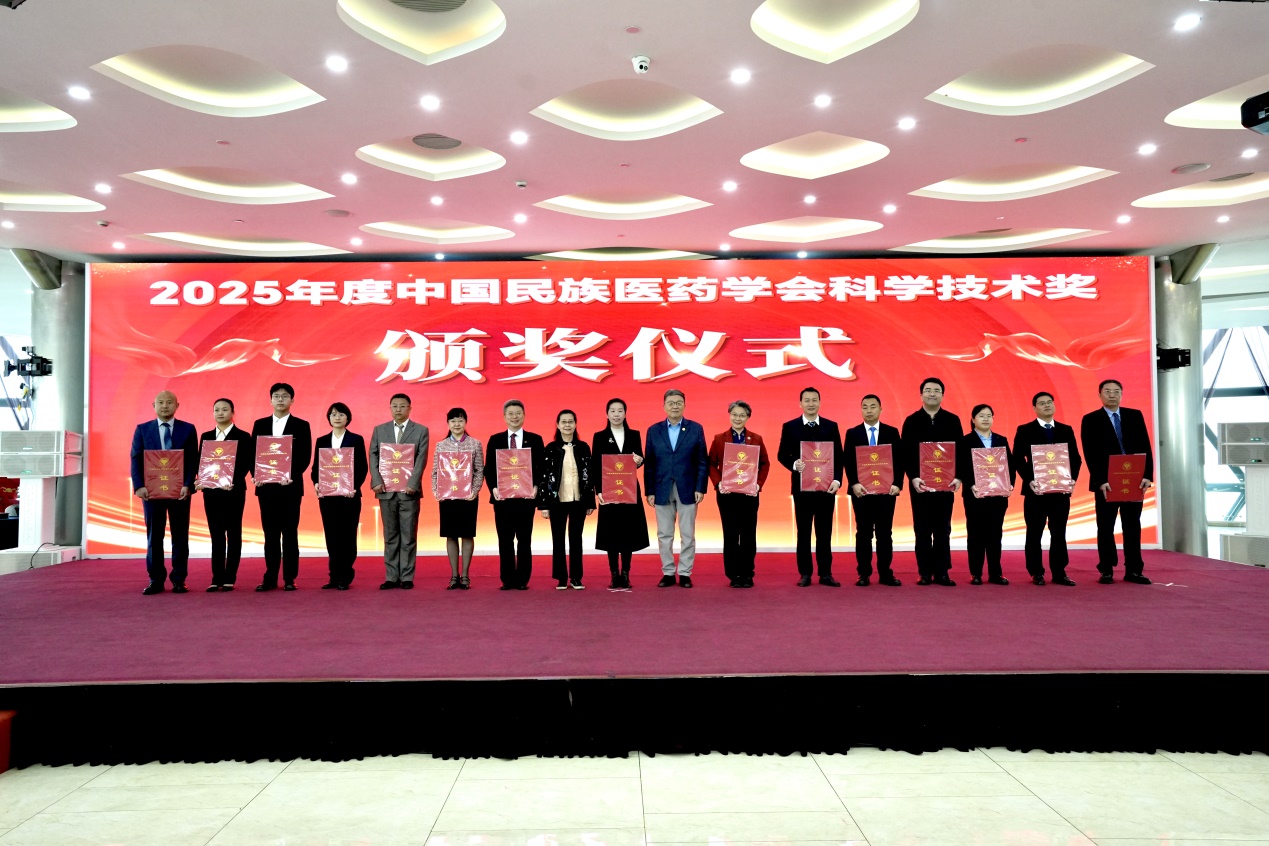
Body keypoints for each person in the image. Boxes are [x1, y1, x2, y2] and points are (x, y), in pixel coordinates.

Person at [1080, 379, 1155, 584]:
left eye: (1116, 391)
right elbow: (1090, 452)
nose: (1112, 395)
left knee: (1133, 526)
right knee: (1105, 527)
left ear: (1121, 394)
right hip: (1107, 483)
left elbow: (1145, 446)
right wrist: (1100, 480)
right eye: (1107, 391)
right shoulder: (1090, 419)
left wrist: (1147, 475)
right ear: (1100, 395)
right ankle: (1106, 569)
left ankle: (1134, 570)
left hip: (1134, 480)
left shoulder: (1134, 415)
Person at [129, 390, 198, 595]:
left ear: (177, 405)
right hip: (151, 492)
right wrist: (139, 486)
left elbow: (192, 459)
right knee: (154, 537)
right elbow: (135, 458)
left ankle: (179, 580)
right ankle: (156, 580)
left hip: (180, 492)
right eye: (161, 402)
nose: (165, 406)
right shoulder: (143, 429)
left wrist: (188, 484)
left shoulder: (188, 429)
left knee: (180, 536)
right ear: (154, 405)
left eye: (169, 402)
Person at [777, 387, 845, 587]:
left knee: (824, 533)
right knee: (804, 533)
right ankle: (805, 573)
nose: (811, 404)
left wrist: (837, 480)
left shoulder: (831, 426)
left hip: (826, 488)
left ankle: (826, 574)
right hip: (802, 489)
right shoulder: (790, 427)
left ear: (820, 403)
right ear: (800, 404)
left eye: (814, 400)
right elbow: (782, 454)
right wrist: (794, 464)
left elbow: (839, 456)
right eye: (807, 400)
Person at [1013, 391, 1082, 586]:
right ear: (1034, 408)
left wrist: (1071, 480)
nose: (1047, 405)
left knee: (1059, 532)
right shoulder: (1025, 430)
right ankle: (1036, 572)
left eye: (1049, 402)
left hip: (1060, 491)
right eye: (1042, 403)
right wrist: (1029, 480)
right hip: (1036, 491)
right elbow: (1017, 458)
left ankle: (1059, 572)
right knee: (1034, 532)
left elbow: (1075, 458)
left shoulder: (1066, 430)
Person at [249, 382, 312, 592]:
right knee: (270, 534)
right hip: (266, 487)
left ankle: (290, 578)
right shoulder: (260, 424)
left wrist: (290, 475)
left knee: (290, 533)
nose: (280, 399)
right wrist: (256, 476)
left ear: (292, 400)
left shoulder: (302, 425)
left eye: (285, 396)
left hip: (290, 487)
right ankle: (270, 577)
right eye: (276, 396)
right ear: (271, 400)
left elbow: (305, 456)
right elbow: (253, 454)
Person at [643, 389, 710, 588]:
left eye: (679, 402)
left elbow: (702, 461)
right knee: (664, 534)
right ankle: (668, 572)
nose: (675, 406)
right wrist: (649, 491)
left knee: (687, 534)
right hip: (661, 487)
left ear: (684, 405)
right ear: (664, 406)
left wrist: (700, 488)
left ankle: (685, 573)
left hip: (688, 488)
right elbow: (650, 463)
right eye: (671, 403)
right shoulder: (654, 430)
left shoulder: (695, 428)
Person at [901, 377, 963, 586]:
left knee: (943, 529)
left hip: (946, 484)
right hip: (920, 484)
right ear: (921, 395)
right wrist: (913, 477)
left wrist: (958, 476)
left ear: (942, 395)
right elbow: (905, 452)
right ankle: (925, 572)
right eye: (928, 390)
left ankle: (943, 572)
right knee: (922, 529)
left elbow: (960, 451)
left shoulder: (952, 420)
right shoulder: (911, 421)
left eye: (936, 390)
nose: (932, 393)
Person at [369, 393, 430, 590]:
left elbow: (421, 458)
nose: (398, 409)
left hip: (408, 491)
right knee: (390, 536)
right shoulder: (380, 430)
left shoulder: (420, 430)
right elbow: (373, 455)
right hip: (386, 490)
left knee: (408, 536)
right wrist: (376, 481)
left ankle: (407, 576)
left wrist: (413, 483)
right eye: (394, 406)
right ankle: (391, 576)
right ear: (390, 408)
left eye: (402, 406)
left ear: (409, 408)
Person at [707, 400, 770, 588]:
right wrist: (718, 483)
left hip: (749, 494)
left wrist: (758, 484)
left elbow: (765, 464)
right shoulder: (719, 438)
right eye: (734, 414)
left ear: (748, 417)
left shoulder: (756, 438)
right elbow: (711, 463)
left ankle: (747, 574)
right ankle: (734, 574)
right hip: (727, 495)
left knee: (748, 535)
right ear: (729, 415)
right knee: (731, 535)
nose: (738, 418)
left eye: (742, 415)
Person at [843, 394, 904, 587]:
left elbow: (899, 459)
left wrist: (897, 483)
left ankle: (886, 574)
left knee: (885, 533)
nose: (869, 410)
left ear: (880, 409)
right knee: (863, 533)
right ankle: (863, 574)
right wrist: (854, 483)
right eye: (865, 407)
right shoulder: (852, 433)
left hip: (887, 492)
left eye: (873, 406)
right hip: (861, 492)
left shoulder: (891, 432)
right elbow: (848, 461)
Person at [484, 399, 546, 589]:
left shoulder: (535, 439)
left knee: (524, 540)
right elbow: (489, 468)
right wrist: (494, 488)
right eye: (510, 414)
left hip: (526, 498)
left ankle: (522, 580)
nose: (514, 417)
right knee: (505, 540)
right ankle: (507, 579)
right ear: (504, 417)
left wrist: (536, 487)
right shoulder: (496, 439)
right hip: (503, 499)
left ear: (524, 415)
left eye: (518, 413)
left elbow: (542, 467)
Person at [591, 398, 650, 591]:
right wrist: (598, 490)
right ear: (606, 414)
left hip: (629, 489)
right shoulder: (599, 436)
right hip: (608, 490)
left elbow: (639, 459)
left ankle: (625, 574)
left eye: (620, 411)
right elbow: (595, 465)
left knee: (627, 531)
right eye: (612, 411)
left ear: (625, 413)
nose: (616, 414)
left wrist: (640, 460)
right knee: (611, 532)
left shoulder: (634, 434)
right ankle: (614, 574)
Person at [311, 401, 368, 590]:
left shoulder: (356, 439)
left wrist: (354, 486)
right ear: (329, 418)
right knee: (332, 536)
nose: (337, 417)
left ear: (348, 418)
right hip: (328, 497)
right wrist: (317, 483)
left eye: (341, 414)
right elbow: (316, 468)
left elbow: (362, 467)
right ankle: (334, 576)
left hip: (349, 496)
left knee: (348, 536)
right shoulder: (322, 441)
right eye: (333, 414)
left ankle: (346, 575)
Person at [956, 404, 1016, 585]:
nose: (985, 419)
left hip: (998, 496)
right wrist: (971, 484)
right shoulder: (965, 441)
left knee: (995, 535)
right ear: (973, 419)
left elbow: (1010, 464)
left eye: (989, 415)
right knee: (975, 534)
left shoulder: (1001, 440)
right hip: (975, 495)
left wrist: (1009, 483)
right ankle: (975, 573)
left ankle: (995, 573)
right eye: (981, 415)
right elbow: (961, 466)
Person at [196, 397, 251, 591]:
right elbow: (201, 462)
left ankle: (229, 577)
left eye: (225, 409)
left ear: (233, 413)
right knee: (216, 535)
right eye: (217, 409)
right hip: (211, 492)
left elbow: (245, 463)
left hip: (233, 491)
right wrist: (200, 479)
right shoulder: (206, 436)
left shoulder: (243, 436)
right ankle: (216, 577)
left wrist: (231, 480)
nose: (220, 413)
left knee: (233, 534)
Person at [540, 410, 596, 589]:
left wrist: (590, 501)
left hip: (579, 500)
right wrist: (544, 505)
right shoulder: (550, 448)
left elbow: (590, 475)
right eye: (563, 422)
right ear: (557, 425)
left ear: (575, 424)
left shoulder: (583, 447)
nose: (567, 425)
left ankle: (576, 577)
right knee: (558, 539)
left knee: (576, 538)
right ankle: (561, 578)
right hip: (556, 501)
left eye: (570, 421)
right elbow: (544, 476)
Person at [431, 407, 484, 590]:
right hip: (448, 497)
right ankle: (454, 575)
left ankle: (466, 575)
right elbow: (435, 472)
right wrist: (437, 492)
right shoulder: (441, 445)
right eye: (453, 421)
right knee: (451, 535)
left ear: (465, 422)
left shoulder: (475, 444)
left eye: (460, 420)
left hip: (468, 497)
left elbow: (479, 470)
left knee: (467, 534)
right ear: (448, 423)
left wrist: (474, 491)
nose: (457, 424)